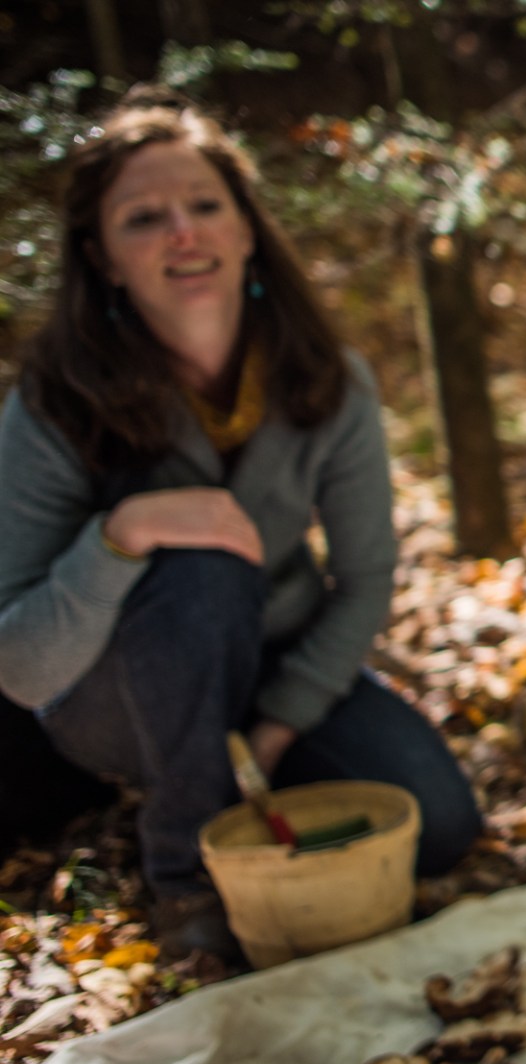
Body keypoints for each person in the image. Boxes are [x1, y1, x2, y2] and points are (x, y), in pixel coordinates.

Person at [0, 91, 482, 962]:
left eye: (205, 206)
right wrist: (124, 532)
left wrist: (278, 725)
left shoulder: (331, 382)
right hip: (115, 687)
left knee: (439, 822)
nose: (183, 232)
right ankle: (182, 872)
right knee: (204, 569)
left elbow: (366, 578)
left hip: (269, 674)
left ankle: (228, 772)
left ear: (248, 229)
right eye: (144, 218)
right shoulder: (51, 406)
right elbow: (21, 664)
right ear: (103, 258)